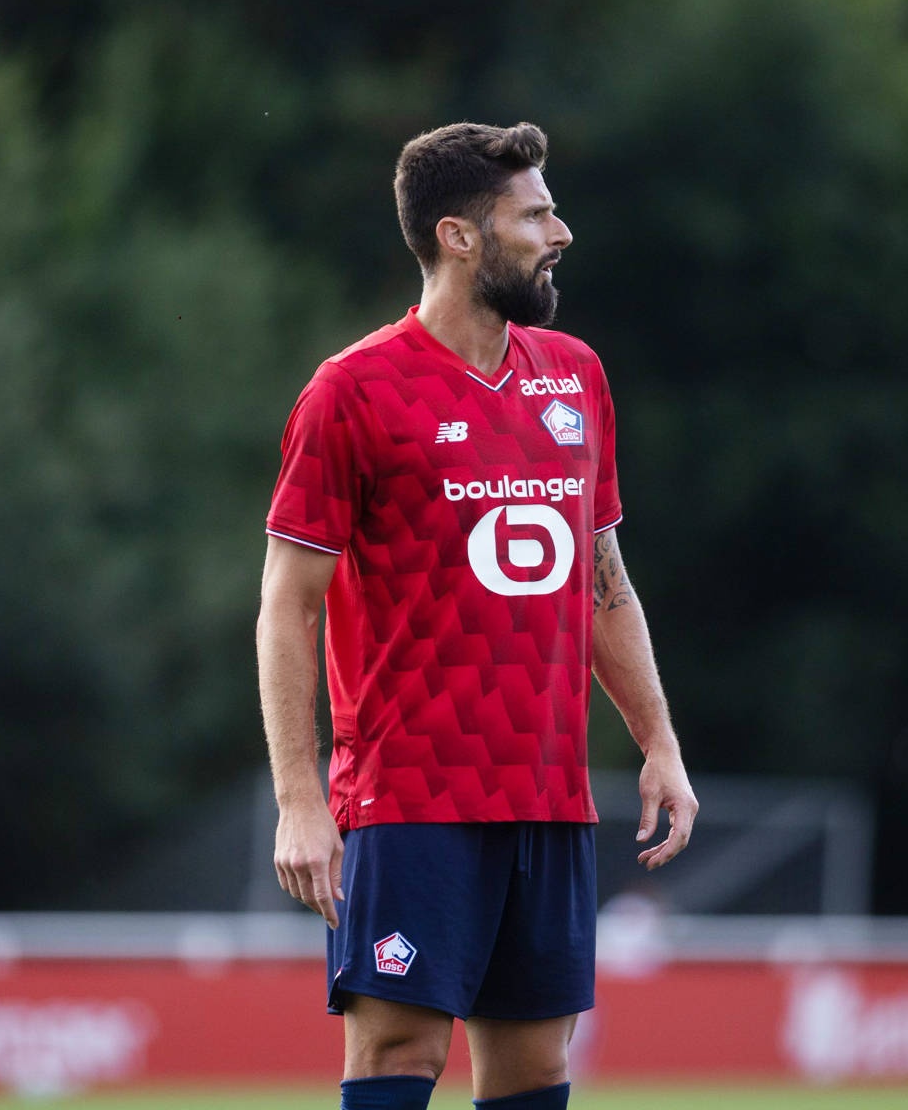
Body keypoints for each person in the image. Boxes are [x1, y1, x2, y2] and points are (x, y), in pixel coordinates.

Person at [257, 121, 697, 1110]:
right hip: (411, 795)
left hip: (547, 792)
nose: (562, 231)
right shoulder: (351, 392)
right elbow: (287, 605)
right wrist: (299, 797)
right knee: (400, 1052)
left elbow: (602, 578)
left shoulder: (574, 375)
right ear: (459, 236)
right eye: (535, 213)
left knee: (536, 1067)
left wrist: (658, 739)